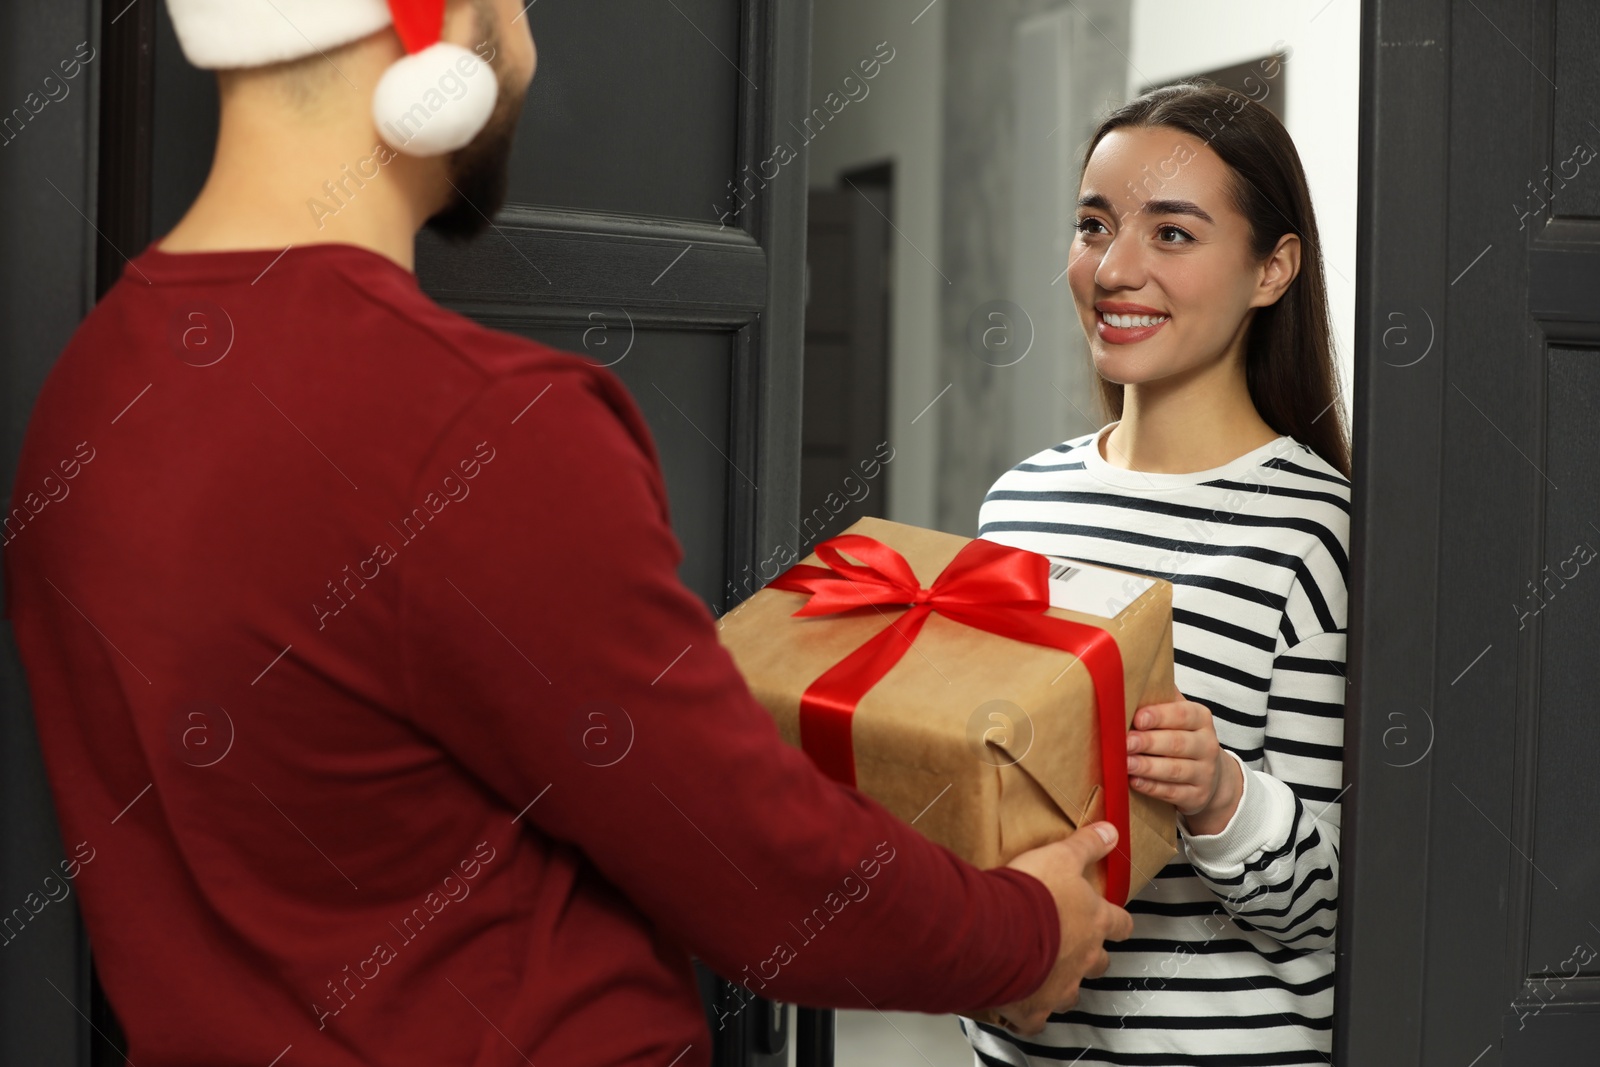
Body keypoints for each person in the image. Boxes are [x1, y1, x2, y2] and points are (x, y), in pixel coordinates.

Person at [0, 0, 1135, 1063]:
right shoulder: (479, 426)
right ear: (432, 34)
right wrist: (1026, 931)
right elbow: (753, 862)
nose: (531, 46)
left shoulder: (88, 394)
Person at [966, 82, 1350, 1065]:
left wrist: (1219, 789)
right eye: (1093, 225)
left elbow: (1321, 908)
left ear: (1273, 269)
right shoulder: (1017, 504)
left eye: (1172, 234)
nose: (1115, 268)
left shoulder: (1313, 534)